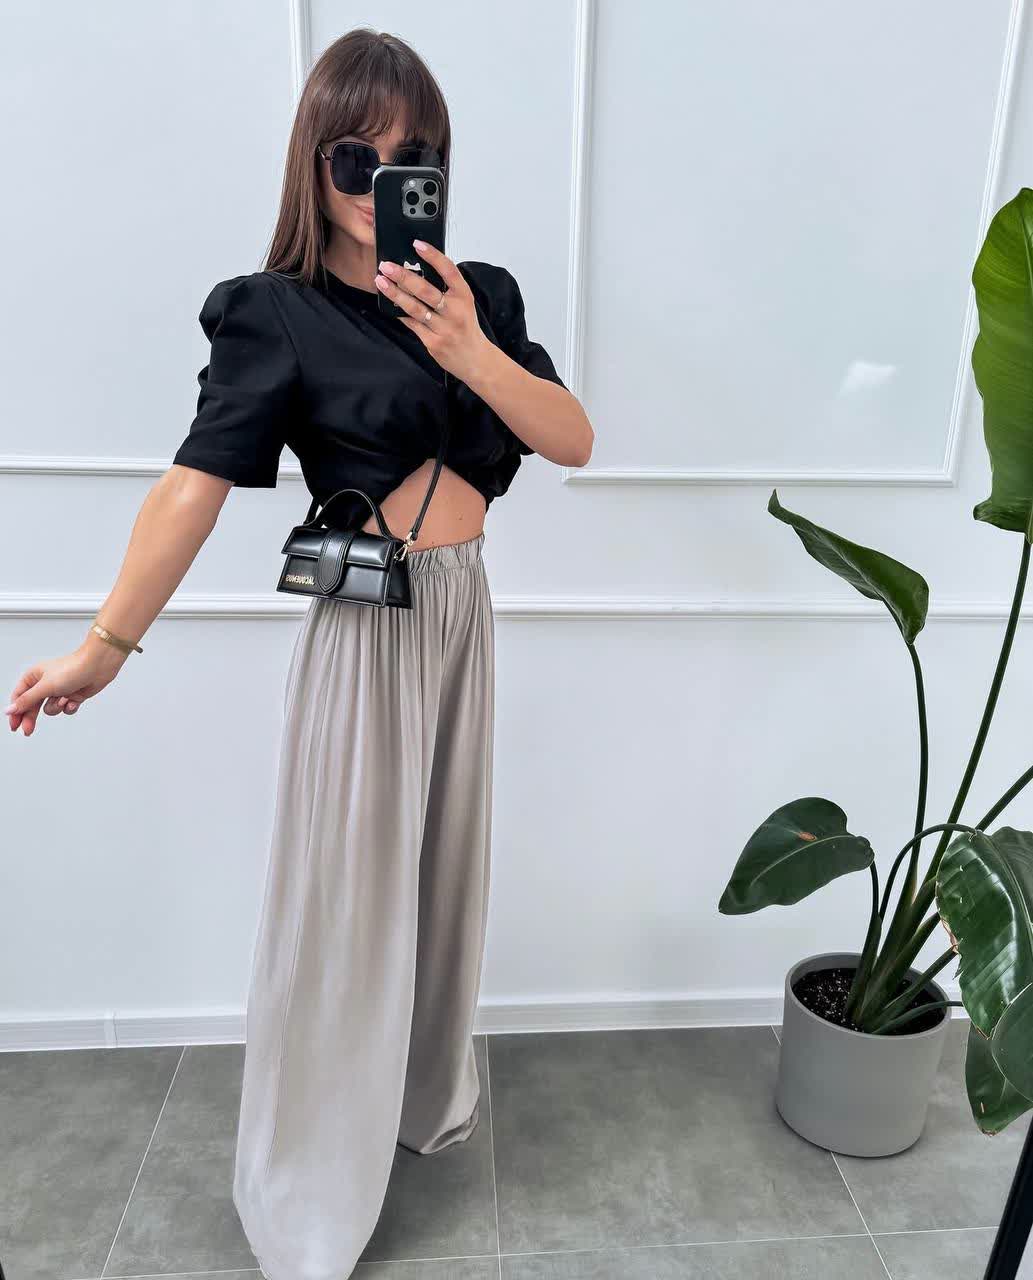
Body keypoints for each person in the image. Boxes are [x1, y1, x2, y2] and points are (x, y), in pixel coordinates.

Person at [5, 25, 593, 1280]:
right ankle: (310, 1184)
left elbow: (571, 436)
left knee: (442, 874)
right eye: (353, 157)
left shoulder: (481, 295)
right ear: (312, 166)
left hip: (463, 611)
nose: (381, 180)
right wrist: (105, 644)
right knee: (344, 905)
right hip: (366, 631)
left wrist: (467, 348)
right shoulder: (274, 312)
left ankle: (417, 1094)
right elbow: (194, 483)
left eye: (411, 156)